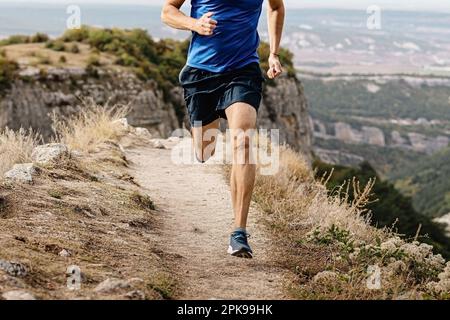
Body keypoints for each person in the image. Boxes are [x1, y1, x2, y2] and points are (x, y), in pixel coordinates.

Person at [161, 0, 285, 258]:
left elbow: (275, 7)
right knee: (205, 150)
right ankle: (208, 129)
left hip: (242, 71)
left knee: (243, 139)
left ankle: (239, 232)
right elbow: (167, 11)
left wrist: (274, 53)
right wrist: (194, 24)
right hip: (200, 74)